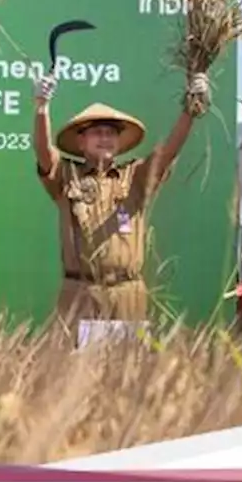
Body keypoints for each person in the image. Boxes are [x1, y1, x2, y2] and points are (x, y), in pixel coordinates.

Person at [30, 70, 209, 326]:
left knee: (128, 366)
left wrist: (189, 111)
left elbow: (168, 152)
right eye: (97, 132)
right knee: (75, 365)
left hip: (128, 295)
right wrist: (41, 108)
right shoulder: (67, 174)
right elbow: (43, 152)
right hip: (80, 293)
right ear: (81, 141)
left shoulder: (134, 175)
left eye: (111, 133)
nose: (105, 138)